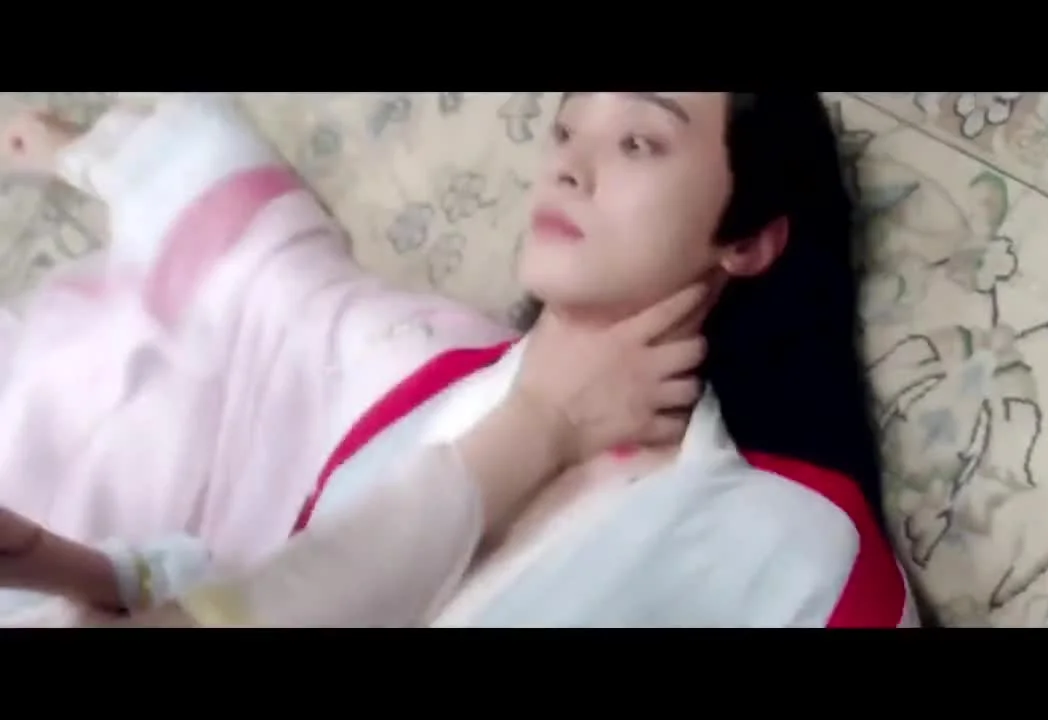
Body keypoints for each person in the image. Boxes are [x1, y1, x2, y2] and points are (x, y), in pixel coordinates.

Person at [0, 92, 915, 627]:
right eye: (565, 131)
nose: (567, 167)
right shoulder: (440, 405)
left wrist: (69, 569)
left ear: (749, 240)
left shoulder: (796, 546)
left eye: (637, 141)